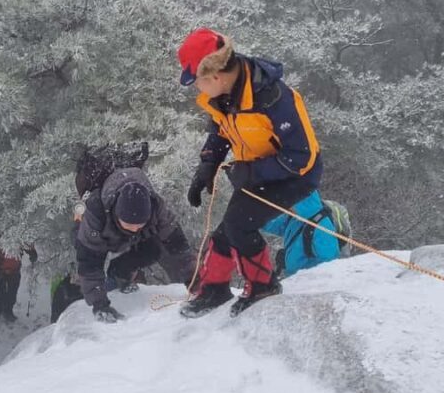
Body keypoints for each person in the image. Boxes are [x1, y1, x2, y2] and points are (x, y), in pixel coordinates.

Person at [177, 27, 338, 318]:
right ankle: (215, 288)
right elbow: (221, 130)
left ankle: (263, 286)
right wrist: (207, 165)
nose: (196, 89)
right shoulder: (225, 95)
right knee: (230, 227)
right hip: (258, 168)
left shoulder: (273, 98)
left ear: (214, 76)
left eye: (196, 82)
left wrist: (249, 173)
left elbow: (301, 156)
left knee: (240, 224)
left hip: (296, 174)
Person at [75, 167, 196, 322]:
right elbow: (88, 262)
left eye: (139, 225)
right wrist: (99, 305)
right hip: (99, 233)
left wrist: (194, 280)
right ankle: (94, 293)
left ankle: (119, 274)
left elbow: (180, 249)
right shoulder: (95, 211)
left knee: (153, 250)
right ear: (116, 215)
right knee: (88, 256)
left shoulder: (157, 207)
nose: (133, 229)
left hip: (132, 237)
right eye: (129, 225)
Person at [0, 243, 38, 322]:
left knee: (12, 292)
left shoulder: (18, 236)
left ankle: (8, 311)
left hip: (14, 269)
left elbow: (28, 247)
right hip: (0, 269)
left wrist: (33, 254)